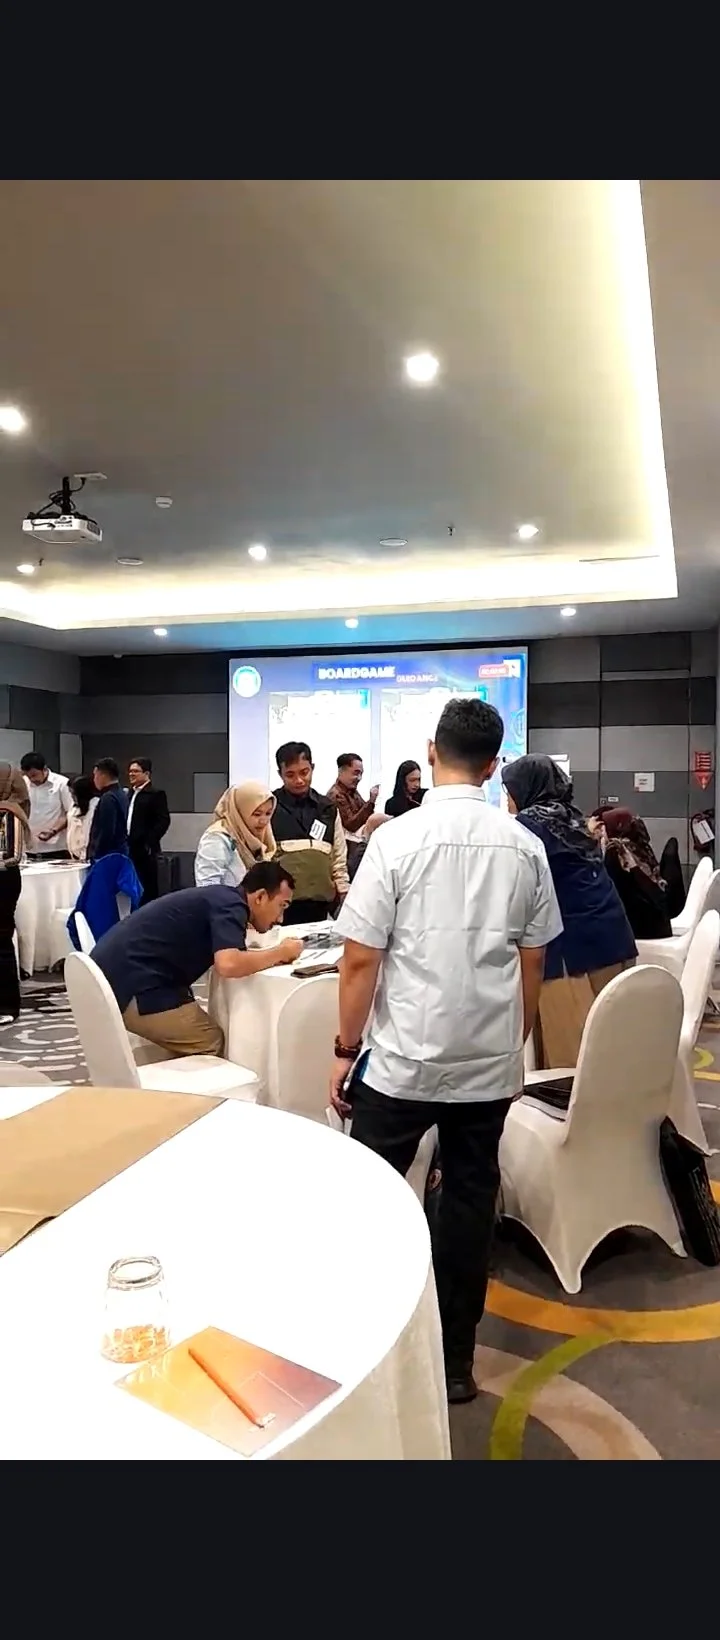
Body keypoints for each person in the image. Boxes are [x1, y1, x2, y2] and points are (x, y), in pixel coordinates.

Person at [331, 699, 562, 1405]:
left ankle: (361, 1343)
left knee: (369, 1196)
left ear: (432, 751)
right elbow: (532, 960)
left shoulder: (395, 840)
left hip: (401, 1060)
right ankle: (455, 1361)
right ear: (493, 766)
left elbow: (360, 960)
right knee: (468, 1204)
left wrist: (345, 1049)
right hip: (486, 1064)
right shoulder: (523, 846)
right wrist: (514, 1041)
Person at [501, 755, 636, 1070]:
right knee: (613, 1041)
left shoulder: (529, 825)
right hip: (612, 934)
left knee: (569, 1057)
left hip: (571, 948)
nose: (507, 799)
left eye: (510, 790)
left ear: (527, 788)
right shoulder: (571, 815)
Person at [92, 860, 302, 1056]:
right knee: (210, 1040)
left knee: (192, 1033)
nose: (281, 918)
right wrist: (281, 952)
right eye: (282, 906)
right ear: (261, 897)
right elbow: (228, 964)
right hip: (135, 987)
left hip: (112, 976)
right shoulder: (232, 906)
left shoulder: (221, 898)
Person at [273, 741, 349, 925]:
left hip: (321, 903)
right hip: (279, 906)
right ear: (280, 774)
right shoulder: (270, 807)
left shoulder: (327, 808)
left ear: (312, 768)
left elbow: (338, 855)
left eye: (304, 772)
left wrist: (343, 888)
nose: (299, 780)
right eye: (290, 775)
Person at [591, 806, 672, 941]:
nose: (601, 832)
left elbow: (609, 892)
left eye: (603, 827)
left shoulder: (616, 851)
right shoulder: (638, 846)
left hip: (641, 929)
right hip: (658, 922)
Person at [195, 782, 276, 889]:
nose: (263, 821)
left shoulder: (260, 836)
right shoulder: (217, 838)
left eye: (268, 813)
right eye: (257, 814)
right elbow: (208, 887)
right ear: (239, 812)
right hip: (223, 899)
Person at [0, 764, 31, 1022]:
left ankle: (7, 1005)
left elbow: (12, 855)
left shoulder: (10, 813)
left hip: (3, 881)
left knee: (1, 940)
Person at [127, 757, 170, 903]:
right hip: (128, 847)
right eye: (130, 771)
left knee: (147, 885)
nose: (131, 774)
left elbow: (163, 821)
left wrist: (149, 841)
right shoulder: (129, 794)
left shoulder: (156, 794)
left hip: (145, 849)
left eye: (136, 771)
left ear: (146, 773)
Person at [19, 751, 72, 858]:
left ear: (44, 769)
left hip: (56, 848)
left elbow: (70, 813)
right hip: (29, 848)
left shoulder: (62, 783)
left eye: (34, 775)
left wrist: (53, 831)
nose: (32, 779)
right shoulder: (23, 783)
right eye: (28, 776)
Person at [327, 754, 380, 836]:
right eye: (356, 773)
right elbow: (351, 826)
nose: (359, 778)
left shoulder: (352, 791)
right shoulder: (336, 795)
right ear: (342, 772)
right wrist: (371, 801)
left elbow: (367, 814)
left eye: (361, 774)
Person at [88, 759, 129, 862]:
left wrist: (96, 854)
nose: (94, 779)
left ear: (103, 775)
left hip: (108, 856)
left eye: (95, 775)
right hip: (120, 851)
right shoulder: (122, 794)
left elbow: (106, 830)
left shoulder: (108, 798)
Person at [66, 774, 98, 862]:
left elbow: (87, 833)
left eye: (73, 794)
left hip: (88, 856)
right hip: (74, 856)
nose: (72, 797)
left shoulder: (95, 806)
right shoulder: (74, 806)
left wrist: (84, 855)